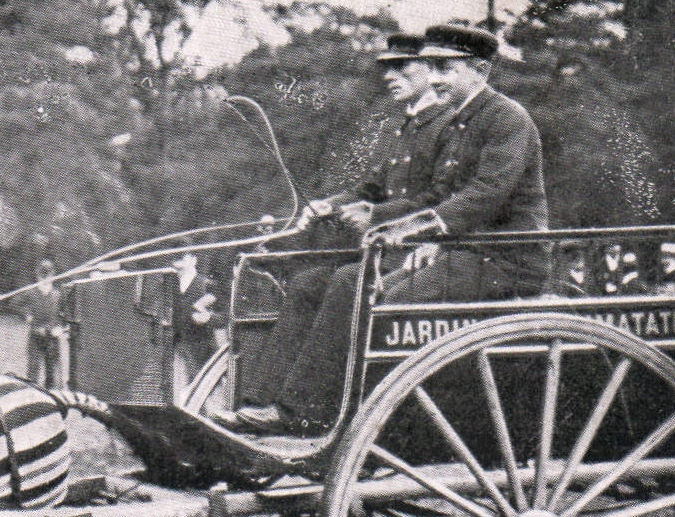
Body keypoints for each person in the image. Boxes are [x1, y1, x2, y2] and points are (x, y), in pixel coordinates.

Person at [233, 24, 547, 435]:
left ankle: (329, 416)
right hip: (462, 253)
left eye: (444, 69)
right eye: (431, 68)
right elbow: (443, 192)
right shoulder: (459, 123)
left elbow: (486, 194)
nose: (434, 78)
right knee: (334, 283)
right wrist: (409, 228)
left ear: (481, 71)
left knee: (374, 290)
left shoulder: (507, 119)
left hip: (505, 259)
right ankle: (279, 404)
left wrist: (412, 227)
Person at [234, 31, 454, 412]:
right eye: (386, 67)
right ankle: (258, 402)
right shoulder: (399, 128)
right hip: (386, 253)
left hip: (419, 254)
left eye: (401, 66)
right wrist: (330, 204)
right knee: (305, 285)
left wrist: (377, 215)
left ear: (432, 69)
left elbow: (441, 199)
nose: (389, 75)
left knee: (346, 282)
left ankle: (301, 410)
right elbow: (371, 188)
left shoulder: (450, 125)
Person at [170, 251, 219, 391]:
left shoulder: (208, 285)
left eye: (181, 257)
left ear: (193, 260)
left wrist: (209, 318)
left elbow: (225, 316)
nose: (177, 263)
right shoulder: (168, 286)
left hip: (201, 347)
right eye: (175, 259)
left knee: (202, 391)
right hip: (174, 347)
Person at [16, 259, 65, 388]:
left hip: (52, 337)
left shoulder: (57, 294)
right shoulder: (31, 292)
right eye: (42, 274)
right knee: (33, 369)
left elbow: (63, 313)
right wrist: (26, 315)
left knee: (52, 372)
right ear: (37, 275)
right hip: (36, 335)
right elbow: (14, 304)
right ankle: (31, 393)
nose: (45, 278)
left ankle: (52, 396)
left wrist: (60, 326)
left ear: (53, 275)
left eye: (48, 274)